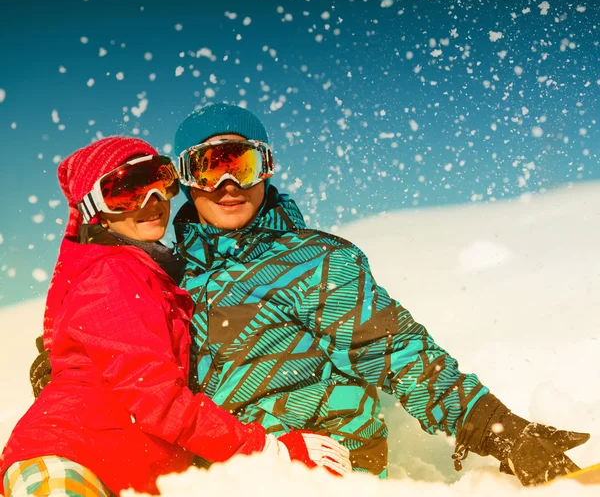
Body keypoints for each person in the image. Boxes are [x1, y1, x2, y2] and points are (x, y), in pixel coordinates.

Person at [30, 105, 589, 487]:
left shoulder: (316, 262)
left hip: (323, 464)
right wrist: (65, 357)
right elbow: (130, 350)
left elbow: (398, 353)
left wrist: (495, 427)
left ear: (265, 169)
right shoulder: (167, 277)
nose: (228, 185)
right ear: (186, 179)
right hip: (227, 470)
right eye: (208, 167)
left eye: (241, 164)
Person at [2, 137, 350, 497]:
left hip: (117, 471)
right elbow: (160, 401)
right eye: (126, 192)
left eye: (159, 182)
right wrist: (268, 452)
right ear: (95, 209)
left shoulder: (151, 274)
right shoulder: (113, 275)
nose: (152, 203)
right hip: (69, 462)